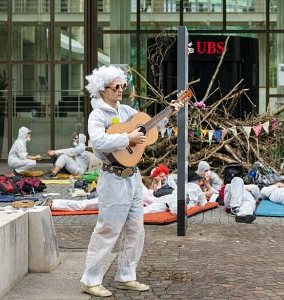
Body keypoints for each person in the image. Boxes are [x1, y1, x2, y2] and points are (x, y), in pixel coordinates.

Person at [80, 65, 183, 297]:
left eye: (123, 85)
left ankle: (126, 275)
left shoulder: (126, 111)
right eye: (116, 86)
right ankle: (90, 279)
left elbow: (149, 129)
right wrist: (127, 137)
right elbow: (98, 142)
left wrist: (169, 113)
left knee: (136, 229)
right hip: (113, 177)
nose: (121, 90)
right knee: (108, 229)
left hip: (133, 177)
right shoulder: (97, 115)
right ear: (102, 89)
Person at [46, 177, 156, 212]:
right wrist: (154, 190)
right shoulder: (145, 191)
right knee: (83, 205)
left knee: (83, 204)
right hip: (111, 202)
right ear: (151, 185)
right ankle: (54, 204)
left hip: (112, 199)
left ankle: (55, 203)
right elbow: (151, 201)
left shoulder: (140, 186)